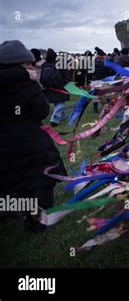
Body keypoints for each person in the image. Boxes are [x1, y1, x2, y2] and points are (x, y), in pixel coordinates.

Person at [0, 40, 67, 231]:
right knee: (43, 182)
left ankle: (29, 217)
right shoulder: (25, 83)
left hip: (4, 145)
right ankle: (42, 220)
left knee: (20, 184)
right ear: (19, 64)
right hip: (31, 142)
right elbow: (41, 111)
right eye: (28, 64)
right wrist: (34, 83)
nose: (31, 66)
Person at [40, 48, 70, 126]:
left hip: (48, 87)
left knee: (57, 102)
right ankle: (54, 119)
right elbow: (66, 75)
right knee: (60, 102)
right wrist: (67, 83)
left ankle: (62, 115)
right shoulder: (60, 64)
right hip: (60, 86)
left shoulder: (44, 65)